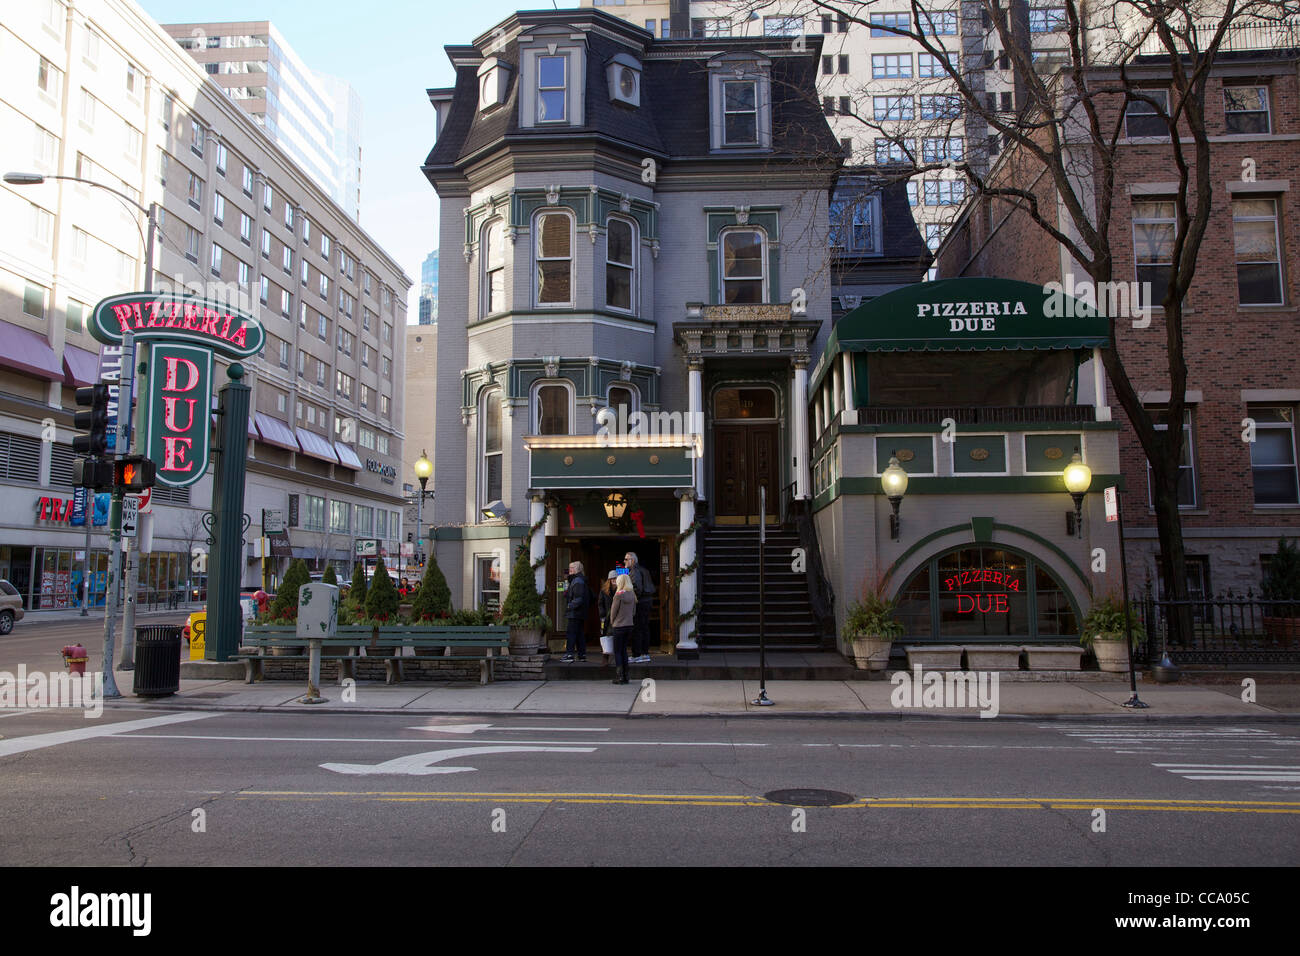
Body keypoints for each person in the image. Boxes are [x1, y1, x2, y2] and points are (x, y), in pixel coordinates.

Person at [624, 551, 657, 664]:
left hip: (640, 603)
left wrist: (632, 601)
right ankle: (645, 654)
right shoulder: (644, 570)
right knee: (644, 628)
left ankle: (637, 654)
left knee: (637, 629)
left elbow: (636, 588)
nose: (625, 561)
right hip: (647, 601)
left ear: (632, 560)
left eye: (626, 559)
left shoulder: (635, 571)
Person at [609, 571, 636, 684]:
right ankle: (626, 675)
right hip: (629, 625)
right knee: (624, 650)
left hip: (619, 626)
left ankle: (620, 676)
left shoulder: (618, 595)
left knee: (617, 651)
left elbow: (613, 612)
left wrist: (612, 622)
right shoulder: (632, 594)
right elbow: (634, 612)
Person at [561, 561, 590, 662]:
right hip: (579, 612)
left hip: (575, 612)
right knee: (579, 633)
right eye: (569, 568)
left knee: (572, 633)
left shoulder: (577, 581)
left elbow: (578, 598)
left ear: (577, 569)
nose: (570, 570)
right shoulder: (577, 580)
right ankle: (582, 655)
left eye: (572, 568)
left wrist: (570, 606)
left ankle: (569, 654)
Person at [598, 570, 618, 666]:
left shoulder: (620, 590)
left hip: (617, 617)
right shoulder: (604, 591)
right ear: (609, 580)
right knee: (605, 636)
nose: (614, 580)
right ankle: (605, 658)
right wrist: (602, 613)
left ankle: (617, 657)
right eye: (612, 578)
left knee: (616, 636)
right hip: (606, 617)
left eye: (616, 578)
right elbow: (600, 603)